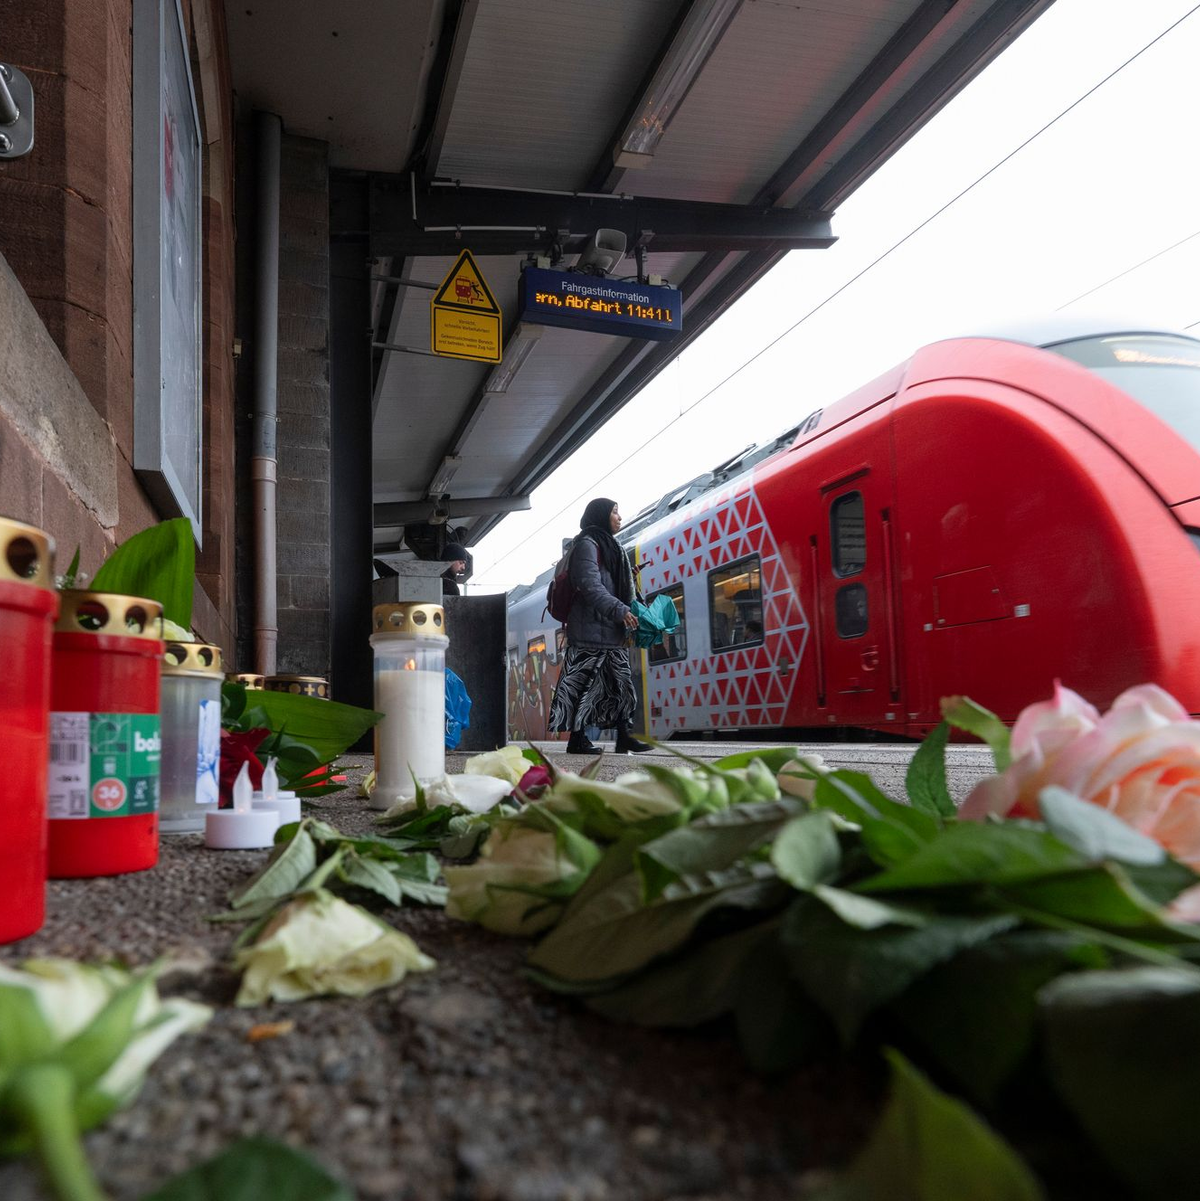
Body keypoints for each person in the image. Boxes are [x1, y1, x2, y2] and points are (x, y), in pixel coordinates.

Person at [548, 498, 650, 755]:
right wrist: (620, 610)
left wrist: (628, 578)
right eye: (614, 512)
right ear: (601, 515)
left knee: (622, 688)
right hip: (588, 634)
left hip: (610, 634)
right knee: (581, 687)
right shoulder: (586, 545)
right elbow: (590, 586)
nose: (619, 516)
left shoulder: (609, 546)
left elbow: (604, 582)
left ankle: (624, 737)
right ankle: (577, 739)